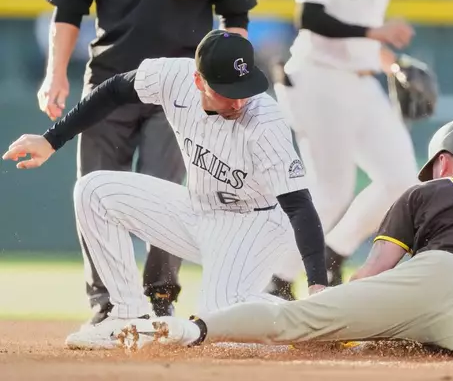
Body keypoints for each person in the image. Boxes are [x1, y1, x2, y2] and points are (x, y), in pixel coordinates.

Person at [116, 118, 453, 367]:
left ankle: (190, 330)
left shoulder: (429, 189)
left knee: (294, 321)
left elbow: (379, 267)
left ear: (443, 161)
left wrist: (345, 317)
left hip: (433, 275)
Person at [3, 30, 328, 350]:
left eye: (244, 87)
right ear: (199, 81)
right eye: (228, 91)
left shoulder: (265, 119)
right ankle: (125, 316)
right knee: (93, 190)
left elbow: (299, 205)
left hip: (253, 226)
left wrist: (317, 285)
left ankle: (313, 320)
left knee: (217, 322)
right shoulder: (173, 76)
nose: (240, 100)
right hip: (197, 209)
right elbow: (115, 89)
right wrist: (51, 139)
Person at [38, 0, 257, 325]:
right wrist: (56, 73)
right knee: (94, 190)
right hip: (108, 80)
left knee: (164, 191)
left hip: (182, 84)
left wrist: (231, 83)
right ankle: (110, 304)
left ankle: (160, 297)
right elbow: (67, 10)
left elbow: (235, 17)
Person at [265, 0, 422, 298]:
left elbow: (357, 33)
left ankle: (332, 253)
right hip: (318, 77)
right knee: (332, 191)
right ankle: (277, 281)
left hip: (361, 80)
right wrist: (376, 32)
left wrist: (391, 64)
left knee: (402, 181)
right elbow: (309, 17)